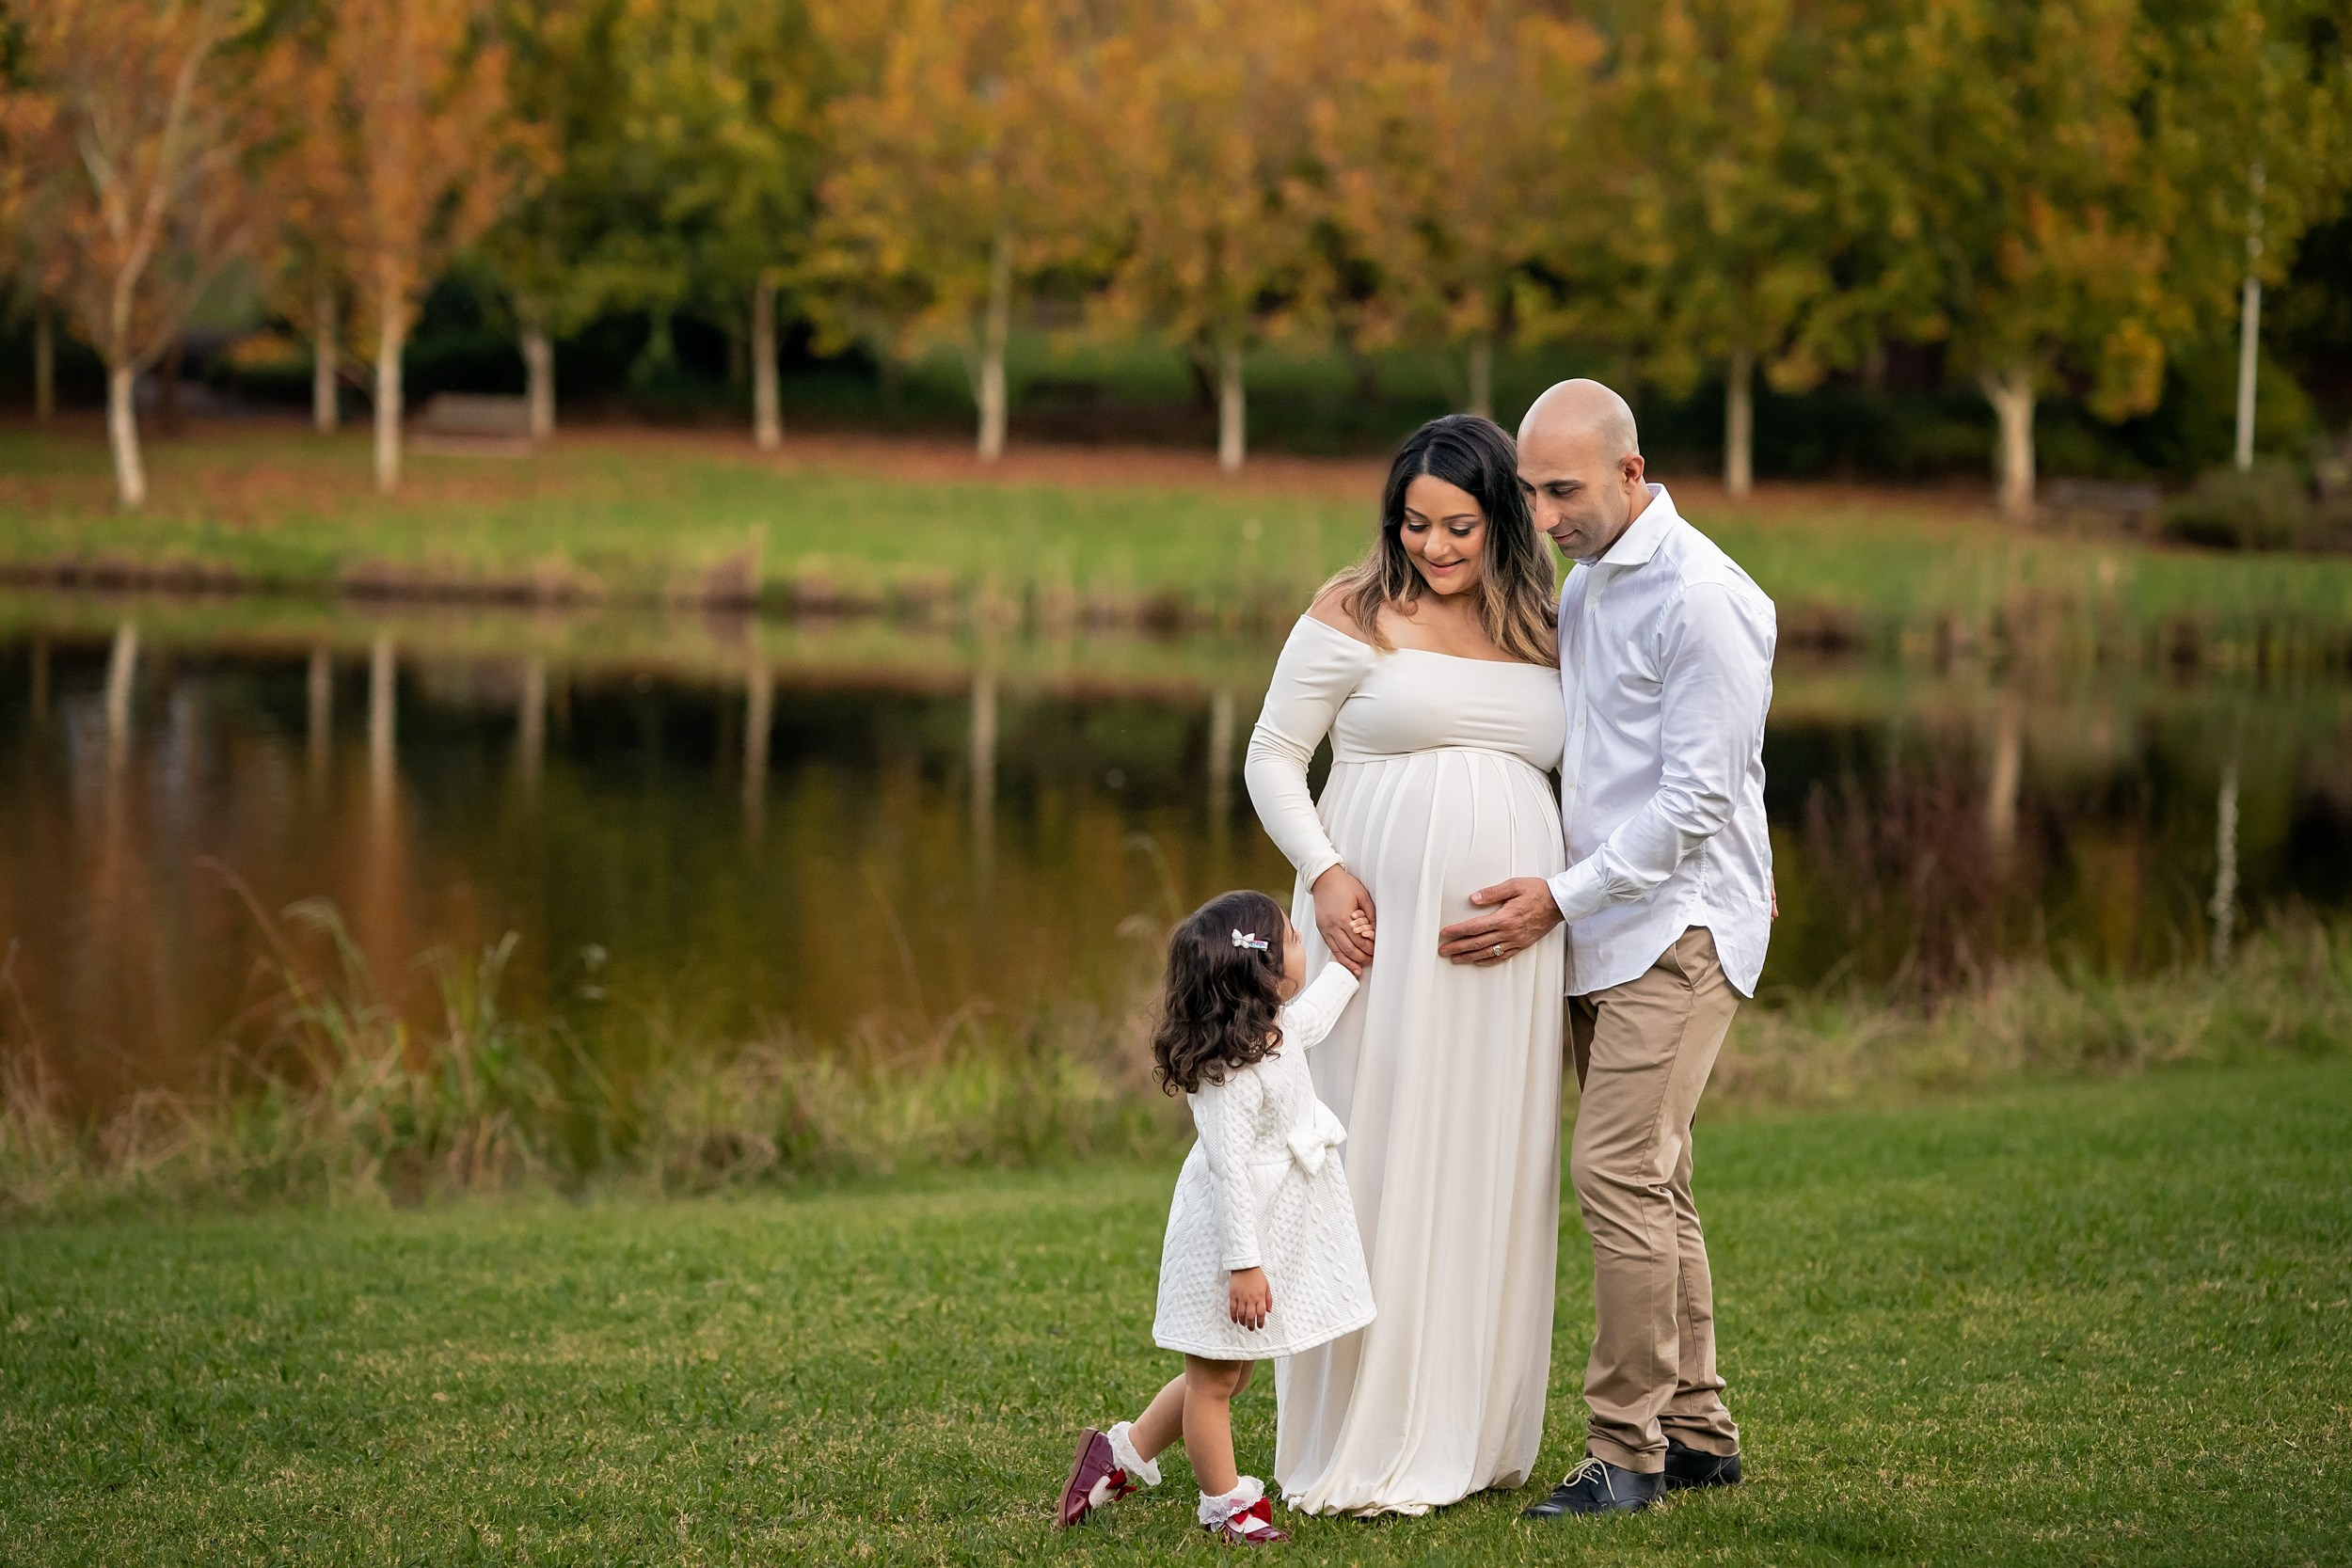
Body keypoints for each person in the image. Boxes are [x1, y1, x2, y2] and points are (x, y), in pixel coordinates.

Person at [1438, 379, 1776, 1518]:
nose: (1540, 516)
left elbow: (1697, 797)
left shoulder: (1703, 597)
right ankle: (1699, 1433)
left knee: (1617, 1172)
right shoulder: (1589, 580)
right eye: (1529, 492)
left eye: (1562, 490)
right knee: (1655, 1177)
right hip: (1604, 924)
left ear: (1631, 473)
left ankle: (1624, 1452)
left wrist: (1555, 898)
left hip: (1676, 927)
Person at [1246, 414, 1568, 1515]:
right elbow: (1273, 754)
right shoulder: (1353, 608)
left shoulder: (1546, 626)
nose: (1433, 546)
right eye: (1414, 523)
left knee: (1482, 1156)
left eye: (1459, 526)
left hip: (1508, 953)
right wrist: (1325, 870)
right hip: (1370, 936)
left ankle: (1466, 1429)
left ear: (1504, 520)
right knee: (1368, 1154)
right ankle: (1359, 1425)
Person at [1057, 889, 1375, 1545]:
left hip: (1262, 1232)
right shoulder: (1226, 1076)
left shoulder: (1275, 1034)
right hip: (1226, 1243)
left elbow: (1314, 1018)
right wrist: (1245, 1266)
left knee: (1230, 1371)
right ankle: (1227, 1507)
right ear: (1260, 968)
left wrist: (1350, 967)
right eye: (1292, 937)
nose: (1301, 942)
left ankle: (1116, 1454)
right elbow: (1229, 1174)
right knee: (1214, 1382)